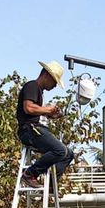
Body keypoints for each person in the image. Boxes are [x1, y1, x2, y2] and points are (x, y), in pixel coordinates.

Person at [16, 60, 74, 189]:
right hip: (29, 130)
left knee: (69, 153)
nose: (54, 86)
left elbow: (34, 111)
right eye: (54, 82)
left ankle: (52, 185)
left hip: (35, 129)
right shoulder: (32, 86)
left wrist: (51, 115)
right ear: (47, 75)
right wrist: (48, 109)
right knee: (60, 150)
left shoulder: (39, 92)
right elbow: (28, 108)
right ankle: (30, 174)